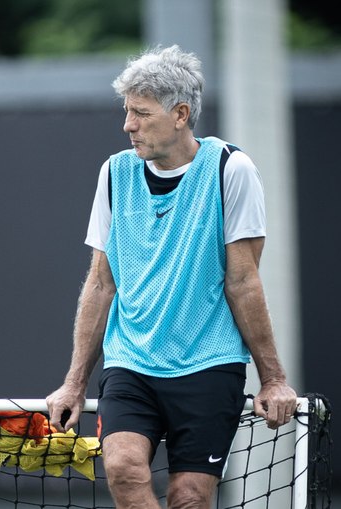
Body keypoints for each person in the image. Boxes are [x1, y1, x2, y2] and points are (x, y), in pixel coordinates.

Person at [46, 45, 297, 509]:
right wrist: (74, 382)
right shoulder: (114, 173)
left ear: (180, 114)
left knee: (189, 498)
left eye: (141, 113)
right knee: (122, 468)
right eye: (127, 112)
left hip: (208, 365)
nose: (128, 125)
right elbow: (102, 284)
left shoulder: (230, 169)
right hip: (131, 363)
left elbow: (243, 281)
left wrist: (273, 379)